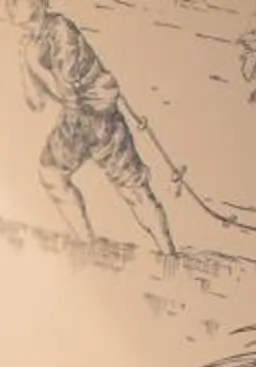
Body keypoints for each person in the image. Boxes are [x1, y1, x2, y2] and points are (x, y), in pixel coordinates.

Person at [12, 0, 179, 256]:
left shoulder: (61, 29)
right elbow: (35, 103)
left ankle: (169, 254)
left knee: (133, 189)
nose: (9, 6)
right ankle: (88, 244)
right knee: (53, 174)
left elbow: (68, 92)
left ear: (37, 3)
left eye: (15, 1)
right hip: (78, 120)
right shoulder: (30, 43)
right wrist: (26, 66)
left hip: (96, 115)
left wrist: (33, 65)